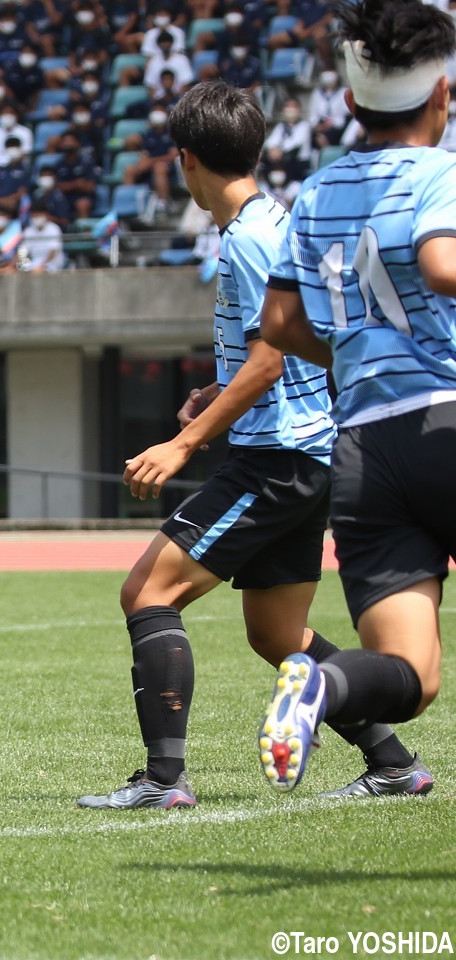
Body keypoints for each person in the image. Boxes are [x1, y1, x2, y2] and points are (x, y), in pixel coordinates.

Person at [79, 80, 428, 810]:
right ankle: (394, 765)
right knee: (277, 634)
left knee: (147, 592)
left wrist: (186, 441)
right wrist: (218, 390)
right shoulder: (278, 221)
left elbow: (271, 359)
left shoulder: (247, 238)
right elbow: (295, 346)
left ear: (185, 160)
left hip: (275, 460)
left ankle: (165, 781)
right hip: (306, 455)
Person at [256, 0, 456, 794]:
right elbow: (441, 265)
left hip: (365, 451)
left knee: (412, 671)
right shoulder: (443, 173)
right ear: (444, 96)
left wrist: (345, 349)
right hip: (447, 418)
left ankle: (323, 687)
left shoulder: (315, 191)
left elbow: (279, 321)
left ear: (349, 103)